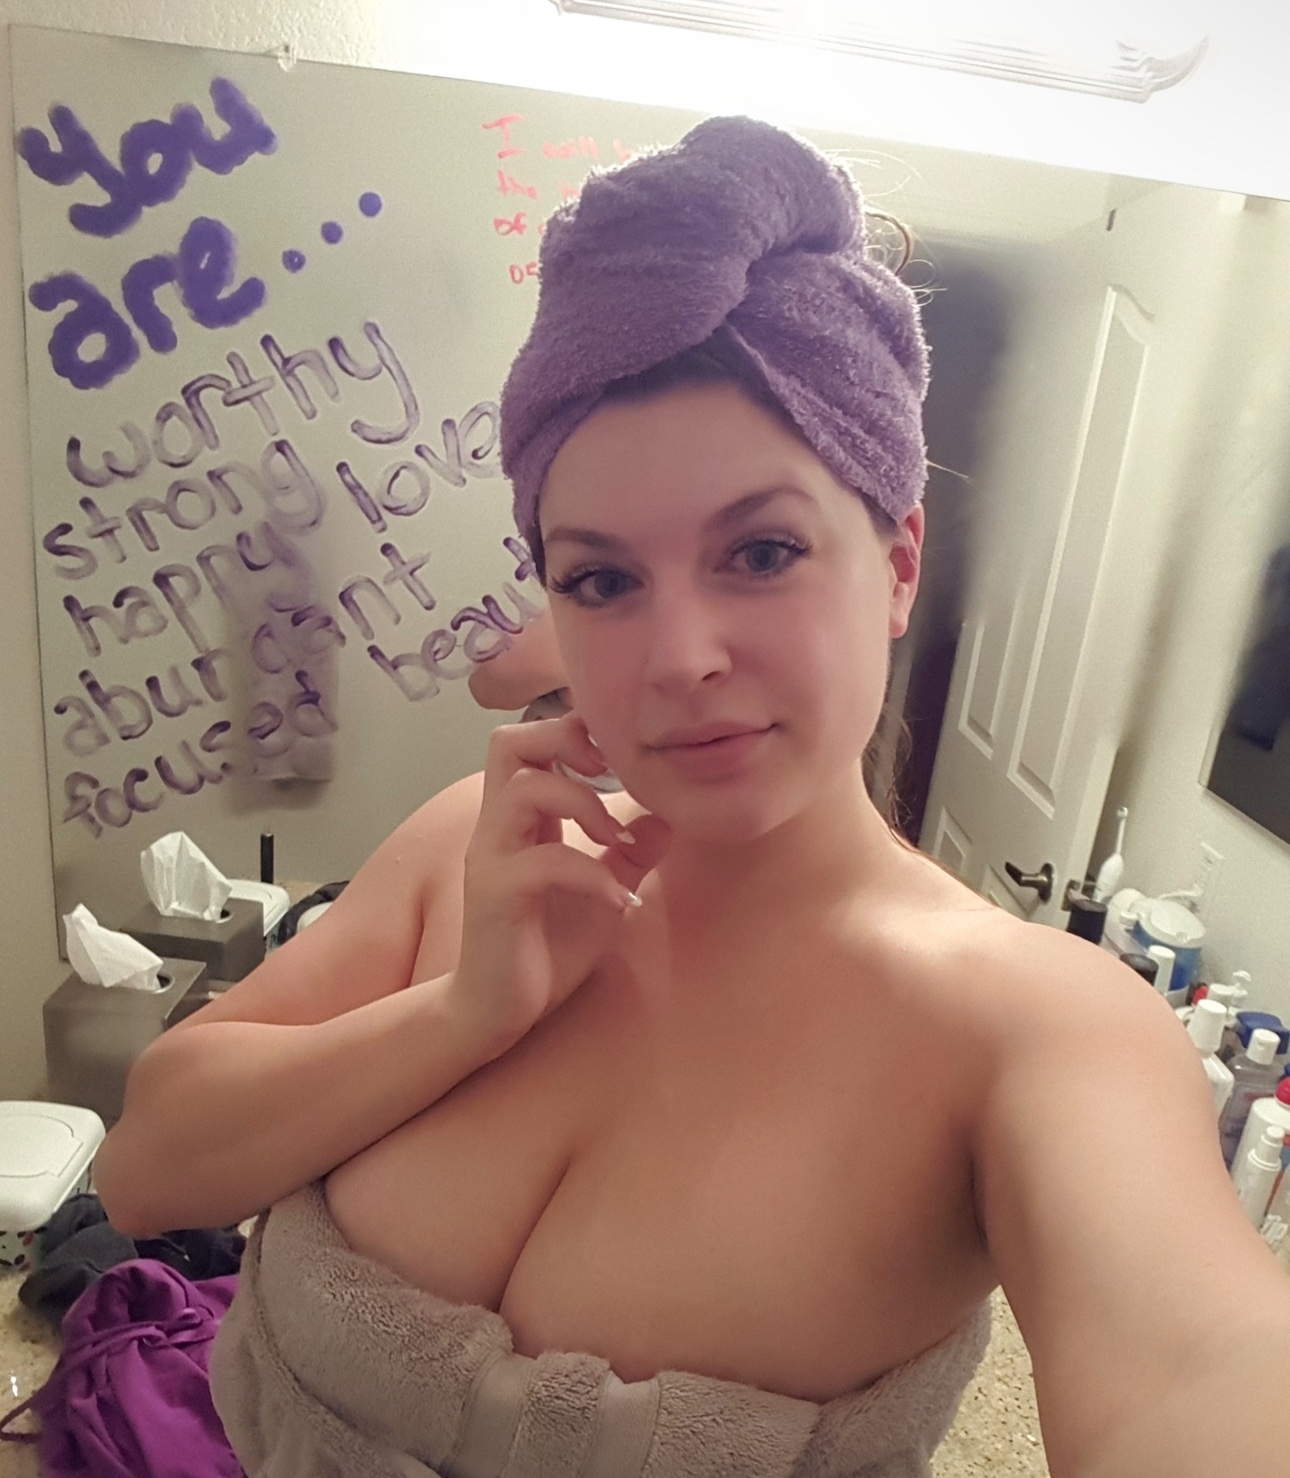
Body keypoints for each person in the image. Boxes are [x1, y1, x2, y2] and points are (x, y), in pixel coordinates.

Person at [94, 117, 1290, 1477]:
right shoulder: (474, 850)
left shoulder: (1032, 1025)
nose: (679, 659)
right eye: (602, 579)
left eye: (761, 551)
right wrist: (464, 1014)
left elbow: (1200, 1363)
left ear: (898, 563)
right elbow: (145, 1173)